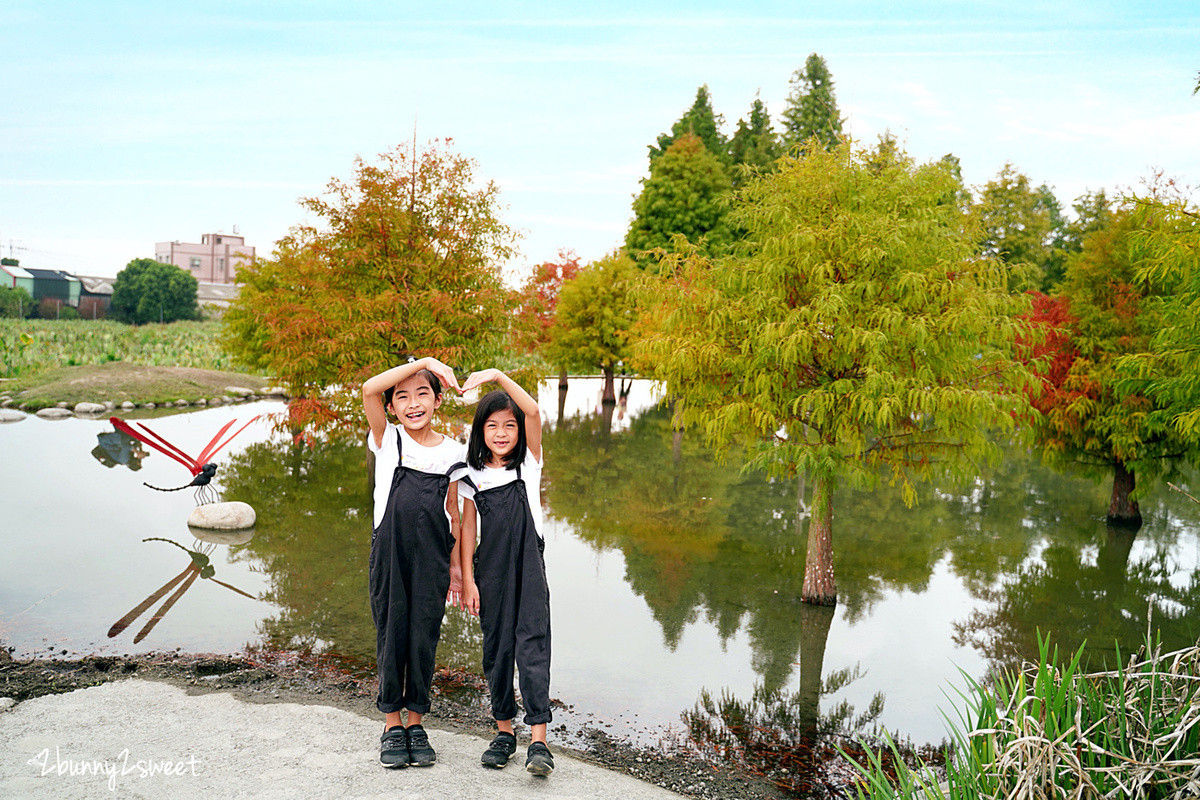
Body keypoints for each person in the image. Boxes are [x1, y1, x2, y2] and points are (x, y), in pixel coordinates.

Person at [362, 356, 465, 769]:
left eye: (423, 392)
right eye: (402, 397)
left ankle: (416, 722)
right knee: (391, 631)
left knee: (423, 635)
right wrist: (423, 362)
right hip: (389, 551)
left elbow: (455, 515)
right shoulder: (388, 441)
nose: (413, 403)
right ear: (391, 408)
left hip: (433, 556)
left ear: (438, 400)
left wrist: (458, 569)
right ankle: (391, 724)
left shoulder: (455, 452)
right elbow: (369, 388)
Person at [457, 369, 555, 777]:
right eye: (492, 425)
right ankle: (503, 733)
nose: (501, 433)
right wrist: (466, 578)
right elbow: (465, 528)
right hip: (491, 570)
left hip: (529, 567)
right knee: (497, 650)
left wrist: (497, 375)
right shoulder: (471, 474)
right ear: (480, 431)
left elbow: (533, 409)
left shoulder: (528, 466)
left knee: (532, 646)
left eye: (508, 425)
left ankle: (538, 741)